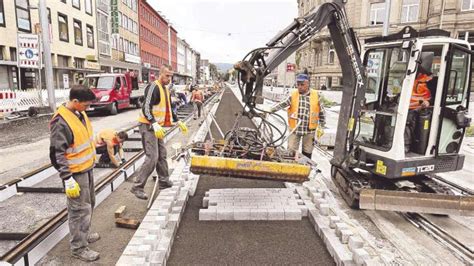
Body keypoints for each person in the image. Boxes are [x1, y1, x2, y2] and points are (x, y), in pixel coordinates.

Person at [49, 84, 100, 262]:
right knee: (79, 210)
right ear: (75, 101)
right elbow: (57, 153)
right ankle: (78, 247)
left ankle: (83, 235)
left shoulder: (79, 113)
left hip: (87, 168)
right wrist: (67, 178)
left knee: (89, 204)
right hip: (74, 174)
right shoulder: (61, 122)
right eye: (86, 105)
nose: (88, 108)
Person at [131, 64, 188, 200]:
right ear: (160, 74)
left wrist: (178, 120)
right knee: (152, 157)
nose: (169, 78)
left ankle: (163, 181)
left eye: (171, 76)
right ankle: (137, 186)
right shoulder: (153, 87)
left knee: (162, 154)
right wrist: (154, 123)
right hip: (148, 126)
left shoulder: (165, 90)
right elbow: (146, 107)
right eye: (167, 75)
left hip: (157, 128)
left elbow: (169, 108)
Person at [269, 73, 325, 159]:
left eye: (302, 84)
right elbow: (281, 104)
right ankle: (290, 169)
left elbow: (322, 112)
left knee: (307, 152)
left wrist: (322, 126)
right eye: (298, 84)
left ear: (308, 84)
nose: (299, 87)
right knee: (291, 151)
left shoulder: (316, 95)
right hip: (295, 128)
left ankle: (305, 169)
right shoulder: (293, 95)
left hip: (309, 130)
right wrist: (269, 110)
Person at [405, 52, 434, 153]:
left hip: (419, 108)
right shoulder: (410, 76)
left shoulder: (429, 80)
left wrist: (428, 101)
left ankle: (406, 145)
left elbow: (436, 95)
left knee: (407, 120)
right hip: (406, 105)